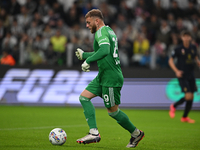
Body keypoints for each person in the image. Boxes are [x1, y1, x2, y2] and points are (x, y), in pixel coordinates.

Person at [75, 9, 144, 148]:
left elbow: (105, 51)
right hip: (103, 75)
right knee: (83, 97)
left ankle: (136, 134)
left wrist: (88, 61)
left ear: (97, 21)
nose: (87, 26)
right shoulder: (109, 31)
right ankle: (93, 132)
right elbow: (102, 52)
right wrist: (85, 55)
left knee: (113, 112)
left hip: (111, 77)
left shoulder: (100, 32)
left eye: (88, 23)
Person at [168, 30, 200, 123]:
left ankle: (185, 117)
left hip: (191, 74)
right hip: (182, 75)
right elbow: (170, 61)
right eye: (184, 36)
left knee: (191, 96)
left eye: (188, 36)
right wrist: (176, 71)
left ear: (190, 38)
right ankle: (174, 106)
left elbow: (195, 57)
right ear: (182, 38)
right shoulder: (178, 49)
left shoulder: (193, 47)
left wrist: (198, 61)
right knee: (188, 95)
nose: (186, 38)